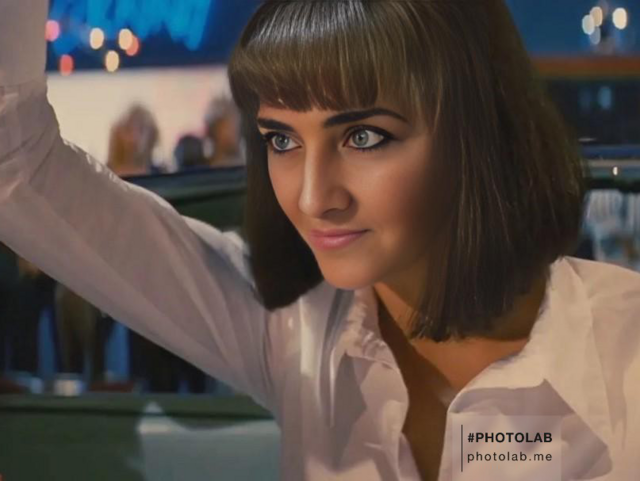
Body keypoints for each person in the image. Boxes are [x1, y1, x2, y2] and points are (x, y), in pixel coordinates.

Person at [0, 1, 639, 480]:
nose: (312, 198)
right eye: (282, 140)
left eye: (363, 137)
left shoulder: (621, 353)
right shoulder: (296, 329)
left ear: (477, 132)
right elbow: (16, 166)